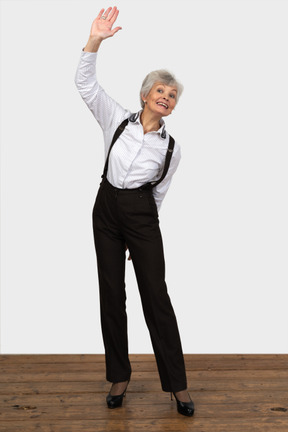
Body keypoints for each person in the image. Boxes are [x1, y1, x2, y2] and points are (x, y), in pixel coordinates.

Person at [74, 6, 194, 417]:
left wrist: (140, 233)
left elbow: (158, 193)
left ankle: (177, 386)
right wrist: (95, 40)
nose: (166, 96)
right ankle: (119, 375)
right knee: (111, 293)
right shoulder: (117, 121)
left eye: (172, 94)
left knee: (155, 295)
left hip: (142, 215)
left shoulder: (171, 150)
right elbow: (85, 85)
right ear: (145, 95)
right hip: (106, 209)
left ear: (173, 106)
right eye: (160, 90)